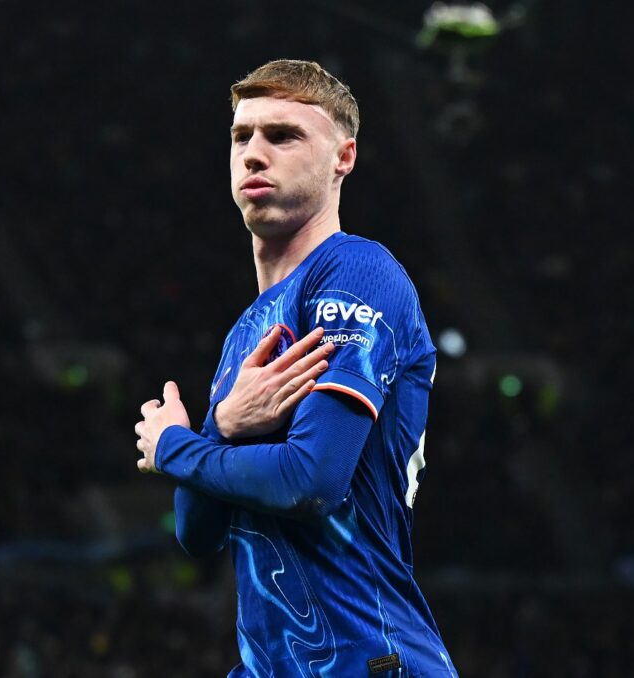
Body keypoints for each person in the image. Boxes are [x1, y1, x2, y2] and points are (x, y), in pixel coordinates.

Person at [135, 59, 457, 677]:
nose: (254, 154)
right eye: (241, 137)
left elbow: (310, 480)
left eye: (283, 135)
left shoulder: (360, 272)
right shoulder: (244, 335)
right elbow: (197, 532)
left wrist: (178, 445)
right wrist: (221, 426)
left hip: (370, 659)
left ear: (344, 158)